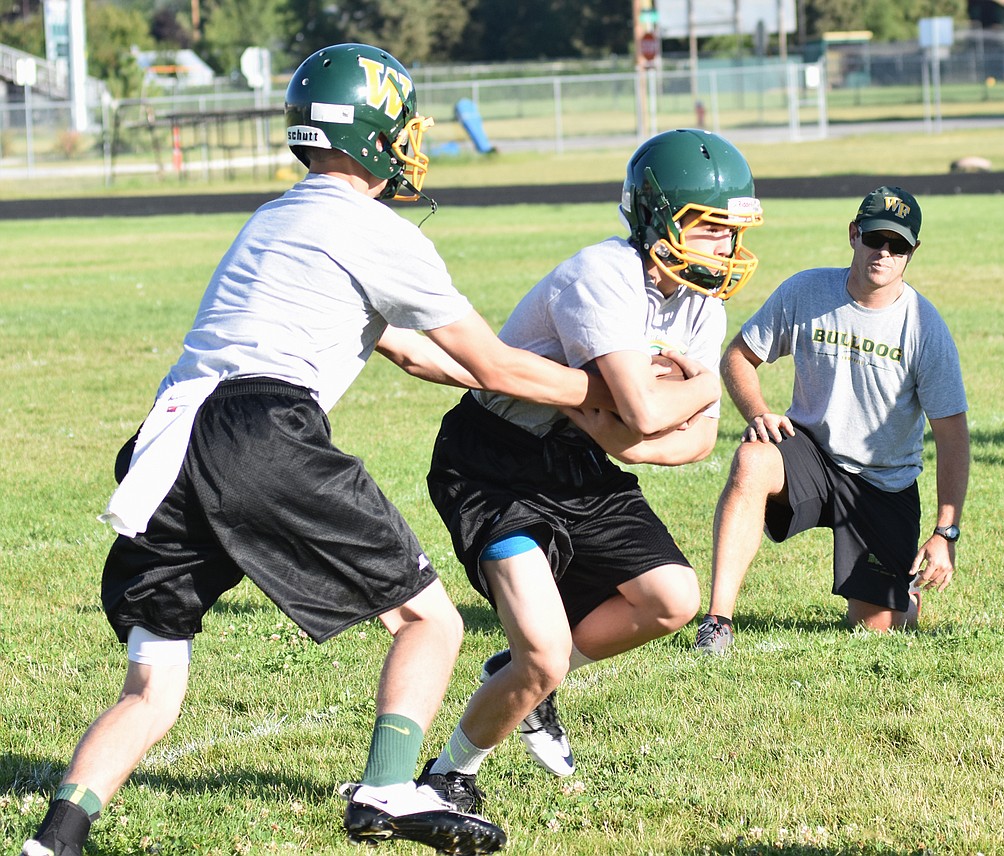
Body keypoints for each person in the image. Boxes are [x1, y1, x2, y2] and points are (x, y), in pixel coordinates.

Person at [21, 43, 615, 856]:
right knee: (429, 622)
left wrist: (497, 388)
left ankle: (53, 840)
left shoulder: (277, 213)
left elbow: (410, 351)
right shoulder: (374, 228)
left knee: (153, 686)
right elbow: (494, 363)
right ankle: (386, 789)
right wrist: (604, 398)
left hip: (165, 442)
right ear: (377, 134)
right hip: (260, 425)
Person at [420, 129, 764, 812]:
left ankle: (523, 681)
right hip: (493, 458)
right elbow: (642, 414)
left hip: (572, 456)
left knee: (673, 599)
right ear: (659, 220)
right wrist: (692, 393)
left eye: (733, 231)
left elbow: (682, 441)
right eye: (711, 228)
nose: (727, 247)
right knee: (542, 651)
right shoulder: (601, 275)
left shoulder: (702, 299)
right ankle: (449, 774)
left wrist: (666, 415)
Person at [694, 185, 969, 653]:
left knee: (875, 629)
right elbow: (737, 357)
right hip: (812, 455)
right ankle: (717, 622)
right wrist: (758, 411)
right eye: (875, 238)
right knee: (751, 460)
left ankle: (901, 602)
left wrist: (946, 532)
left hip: (883, 484)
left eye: (898, 245)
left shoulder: (924, 325)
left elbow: (952, 437)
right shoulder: (806, 290)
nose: (884, 252)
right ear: (853, 235)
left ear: (912, 252)